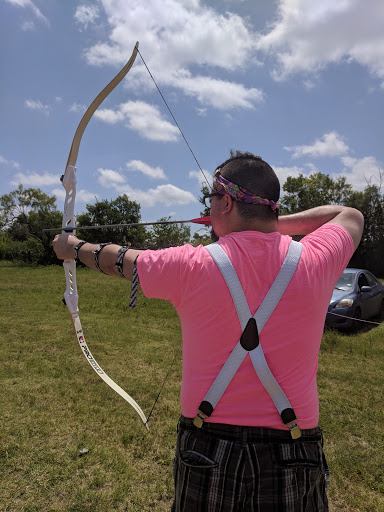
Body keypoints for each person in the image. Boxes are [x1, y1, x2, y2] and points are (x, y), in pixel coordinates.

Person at [53, 151, 364, 511]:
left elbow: (117, 259)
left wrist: (71, 247)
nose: (210, 207)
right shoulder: (317, 257)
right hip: (294, 446)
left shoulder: (190, 264)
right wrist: (267, 223)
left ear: (227, 201)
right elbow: (350, 214)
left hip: (208, 447)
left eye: (212, 200)